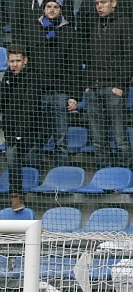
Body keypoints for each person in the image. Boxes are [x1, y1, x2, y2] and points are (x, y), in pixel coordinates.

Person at [17, 0, 79, 168]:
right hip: (38, 93)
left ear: (61, 10)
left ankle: (61, 176)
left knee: (60, 140)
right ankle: (33, 175)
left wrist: (74, 95)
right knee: (36, 138)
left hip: (60, 93)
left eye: (55, 7)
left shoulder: (69, 32)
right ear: (43, 9)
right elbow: (25, 63)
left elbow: (74, 66)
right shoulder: (31, 30)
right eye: (49, 7)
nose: (52, 10)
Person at [80, 0, 133, 168]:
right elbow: (87, 57)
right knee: (98, 140)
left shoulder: (125, 23)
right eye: (97, 3)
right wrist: (87, 84)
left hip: (113, 89)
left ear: (114, 3)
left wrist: (121, 85)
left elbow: (129, 57)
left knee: (120, 139)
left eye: (103, 2)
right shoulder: (93, 24)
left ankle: (126, 175)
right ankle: (103, 175)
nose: (99, 6)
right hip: (93, 88)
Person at [0, 46, 42, 213]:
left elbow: (31, 108)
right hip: (11, 131)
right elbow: (0, 102)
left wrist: (21, 134)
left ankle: (31, 195)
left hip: (31, 132)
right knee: (11, 155)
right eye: (11, 61)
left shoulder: (33, 78)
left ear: (25, 61)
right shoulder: (8, 77)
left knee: (29, 161)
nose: (14, 64)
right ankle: (15, 195)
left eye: (17, 61)